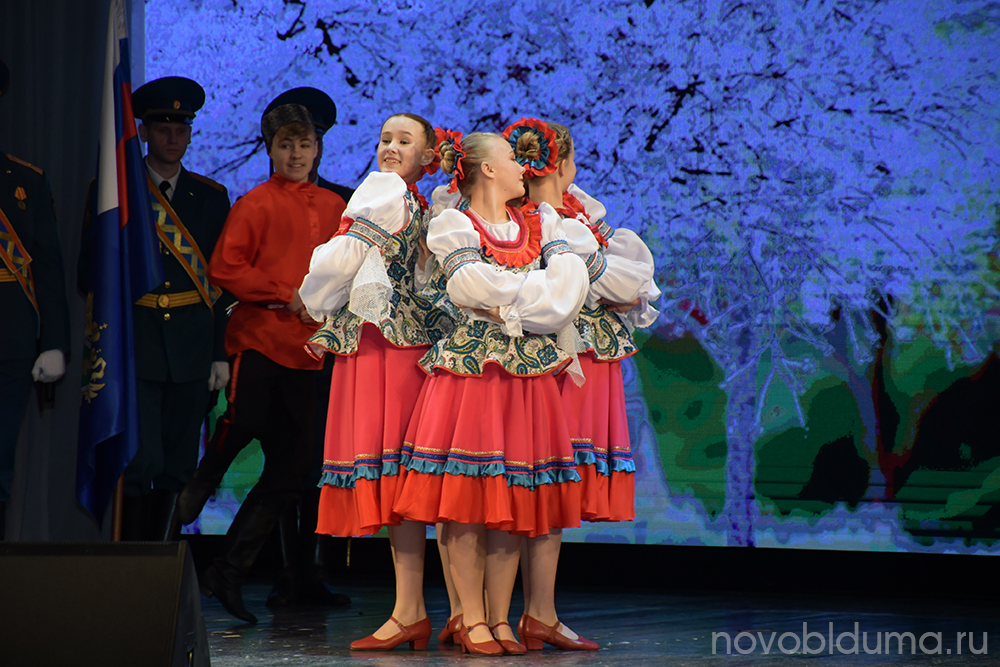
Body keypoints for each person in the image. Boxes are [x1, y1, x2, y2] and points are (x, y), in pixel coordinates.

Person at [391, 131, 590, 655]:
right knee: (467, 497)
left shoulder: (543, 223)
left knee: (513, 494)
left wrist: (515, 302)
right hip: (473, 371)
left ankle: (501, 618)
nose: (523, 166)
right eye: (510, 157)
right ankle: (472, 617)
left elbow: (568, 293)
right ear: (486, 169)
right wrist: (535, 294)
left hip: (526, 375)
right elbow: (469, 287)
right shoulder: (454, 224)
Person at [176, 86, 354, 608]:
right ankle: (205, 477)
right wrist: (284, 293)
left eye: (304, 144)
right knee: (245, 420)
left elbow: (349, 268)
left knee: (292, 471)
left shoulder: (336, 205)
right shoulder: (255, 203)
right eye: (285, 145)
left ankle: (227, 571)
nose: (296, 154)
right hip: (261, 339)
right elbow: (225, 267)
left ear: (318, 148)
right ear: (271, 149)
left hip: (311, 350)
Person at [505, 116, 659, 649]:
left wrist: (615, 288)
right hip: (559, 359)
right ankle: (507, 614)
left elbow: (632, 288)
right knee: (532, 479)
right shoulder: (549, 222)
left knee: (542, 484)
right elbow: (620, 287)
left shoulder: (576, 217)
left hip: (572, 358)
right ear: (565, 164)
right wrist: (610, 287)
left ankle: (526, 613)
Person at [298, 113, 446, 650]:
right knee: (406, 480)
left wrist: (313, 299)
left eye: (404, 141)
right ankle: (416, 610)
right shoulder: (411, 200)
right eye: (385, 139)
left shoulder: (385, 192)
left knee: (397, 476)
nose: (390, 148)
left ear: (427, 156)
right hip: (407, 346)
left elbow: (339, 261)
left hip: (383, 349)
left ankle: (412, 610)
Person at [83, 76, 233, 541]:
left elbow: (221, 284)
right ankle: (132, 563)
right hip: (136, 343)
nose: (172, 138)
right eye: (163, 128)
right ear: (144, 132)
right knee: (139, 459)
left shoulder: (211, 197)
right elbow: (90, 272)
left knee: (179, 460)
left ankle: (163, 563)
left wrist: (219, 354)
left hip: (191, 345)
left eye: (181, 129)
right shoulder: (115, 194)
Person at [0, 57, 71, 540]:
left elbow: (48, 266)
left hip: (11, 342)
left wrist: (54, 342)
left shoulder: (26, 180)